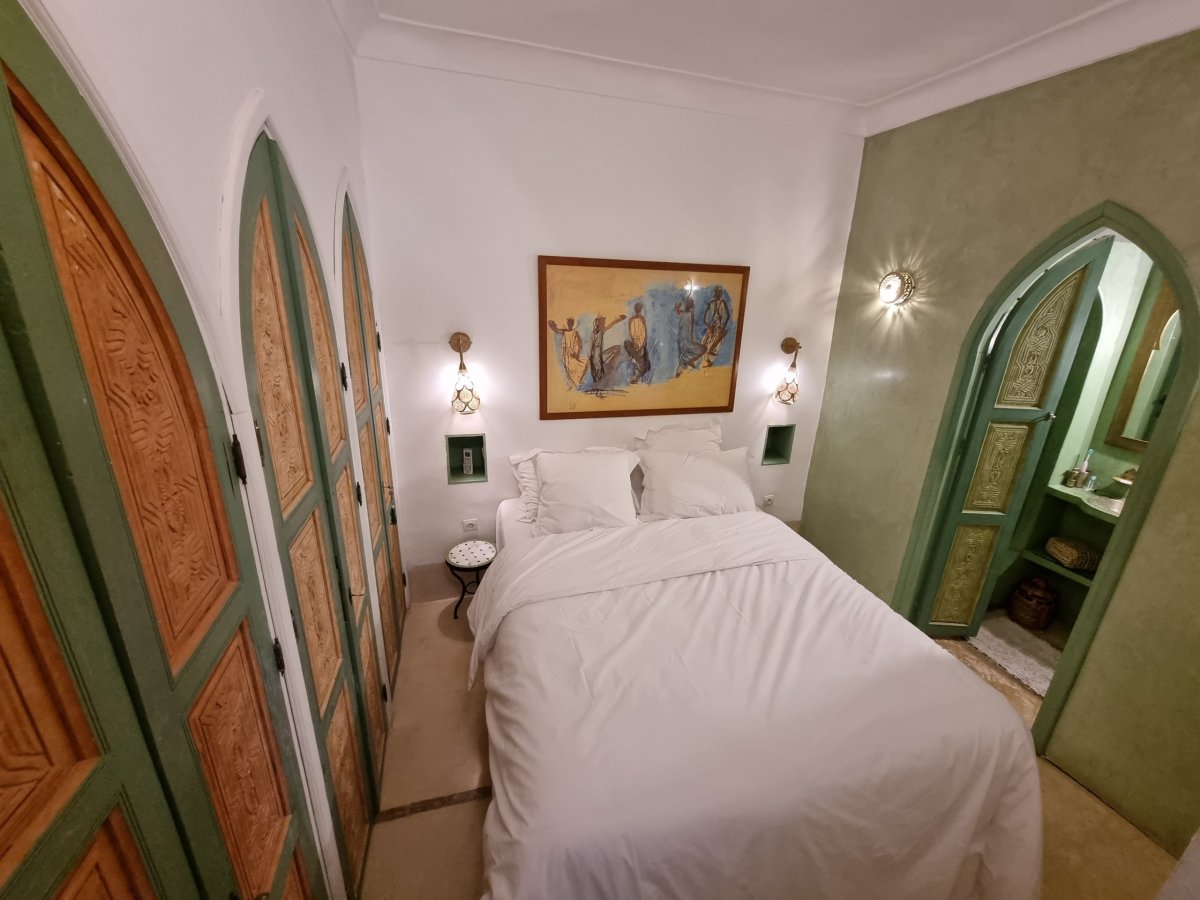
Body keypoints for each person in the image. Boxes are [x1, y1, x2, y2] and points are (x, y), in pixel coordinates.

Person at [588, 313, 627, 386]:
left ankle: (599, 381)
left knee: (617, 348)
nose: (604, 324)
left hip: (599, 355)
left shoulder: (602, 331)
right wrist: (590, 358)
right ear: (598, 323)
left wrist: (620, 319)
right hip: (595, 356)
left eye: (604, 322)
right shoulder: (593, 334)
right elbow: (590, 347)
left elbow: (612, 324)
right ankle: (597, 382)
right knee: (597, 369)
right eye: (602, 322)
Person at [547, 318, 586, 388]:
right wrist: (552, 325)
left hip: (571, 352)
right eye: (569, 322)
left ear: (573, 323)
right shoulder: (563, 331)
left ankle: (576, 383)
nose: (569, 324)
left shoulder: (574, 332)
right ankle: (572, 384)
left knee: (576, 366)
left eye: (571, 322)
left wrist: (577, 353)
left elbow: (580, 344)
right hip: (564, 353)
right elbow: (557, 330)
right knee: (567, 369)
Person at [700, 285, 731, 367]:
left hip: (718, 327)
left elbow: (728, 316)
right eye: (717, 292)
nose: (718, 294)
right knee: (705, 343)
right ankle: (708, 361)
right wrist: (709, 326)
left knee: (714, 345)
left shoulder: (723, 302)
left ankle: (710, 361)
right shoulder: (711, 303)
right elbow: (704, 318)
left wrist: (722, 327)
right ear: (715, 293)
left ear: (721, 293)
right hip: (712, 327)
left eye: (720, 292)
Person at [673, 296, 705, 375]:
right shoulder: (690, 314)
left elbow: (677, 309)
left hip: (681, 341)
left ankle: (687, 363)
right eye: (692, 304)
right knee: (703, 349)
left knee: (686, 354)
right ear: (691, 306)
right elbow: (690, 329)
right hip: (686, 341)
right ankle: (690, 361)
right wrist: (691, 341)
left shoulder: (682, 313)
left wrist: (677, 306)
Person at [623, 301, 652, 383]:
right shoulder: (631, 320)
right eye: (637, 308)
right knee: (638, 360)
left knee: (642, 361)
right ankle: (636, 377)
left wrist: (644, 343)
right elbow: (630, 332)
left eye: (639, 308)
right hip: (636, 342)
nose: (638, 309)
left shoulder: (642, 319)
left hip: (641, 342)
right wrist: (634, 341)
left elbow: (645, 332)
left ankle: (636, 377)